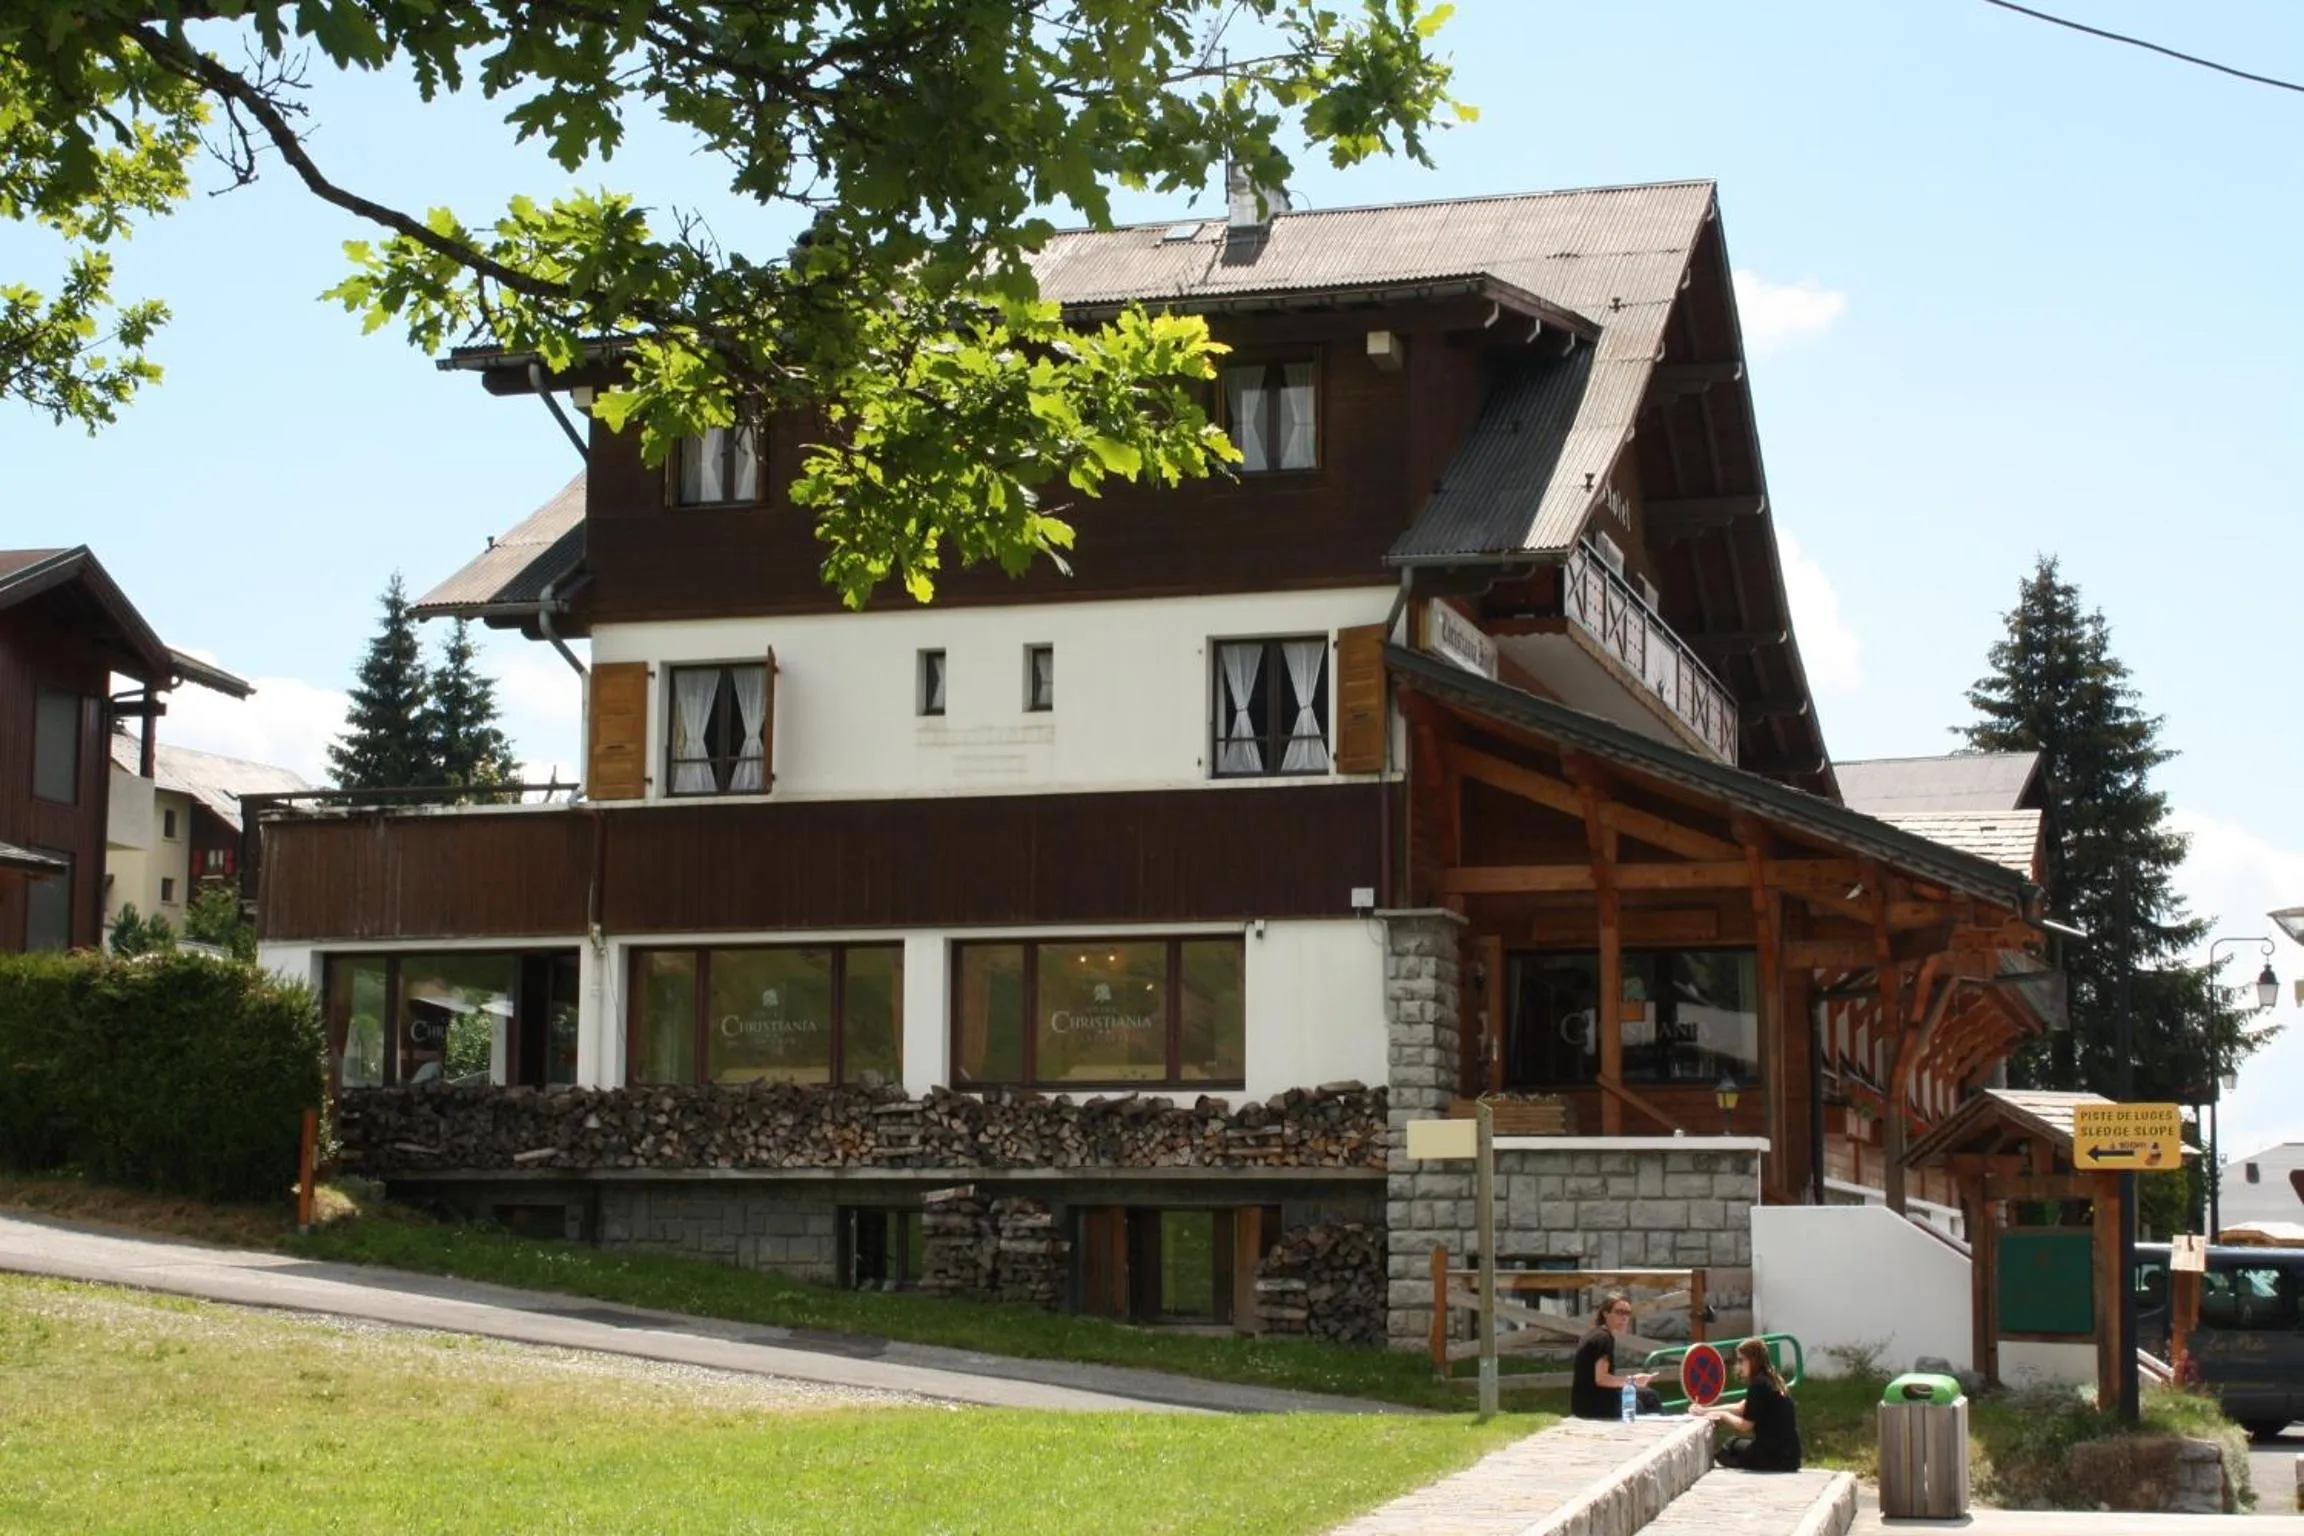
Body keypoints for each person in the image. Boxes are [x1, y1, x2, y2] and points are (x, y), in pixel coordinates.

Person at [1700, 1338, 1803, 1471]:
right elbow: (1741, 1407)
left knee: (1727, 1450)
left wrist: (1723, 1415)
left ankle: (1744, 1463)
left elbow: (1745, 1426)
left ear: (1753, 1360)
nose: (1739, 1366)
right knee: (1733, 1443)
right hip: (1791, 1456)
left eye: (1741, 1360)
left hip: (1775, 1456)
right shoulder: (1771, 1379)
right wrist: (1705, 1410)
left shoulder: (1759, 1385)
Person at [1570, 1292, 1663, 1419]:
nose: (1624, 1318)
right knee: (1643, 1402)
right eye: (1619, 1312)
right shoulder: (1603, 1339)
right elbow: (1601, 1379)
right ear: (1606, 1313)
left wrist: (1633, 1382)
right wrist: (1633, 1381)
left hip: (1585, 1404)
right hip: (1593, 1406)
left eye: (1627, 1313)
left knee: (1648, 1395)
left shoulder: (1598, 1334)